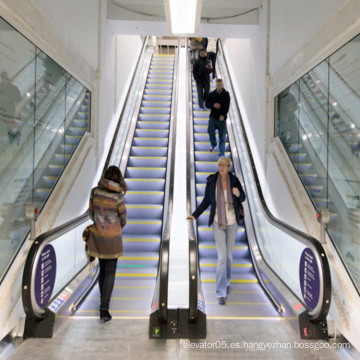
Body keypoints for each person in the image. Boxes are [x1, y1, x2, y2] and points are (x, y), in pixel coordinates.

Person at [187, 156, 246, 305]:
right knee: (222, 257)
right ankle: (221, 292)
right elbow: (206, 201)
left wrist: (237, 193)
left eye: (225, 165)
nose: (222, 167)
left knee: (229, 257)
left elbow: (243, 197)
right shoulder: (212, 181)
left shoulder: (234, 180)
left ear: (229, 167)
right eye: (221, 165)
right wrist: (195, 215)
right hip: (217, 222)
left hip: (232, 222)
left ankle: (226, 282)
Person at [87, 166, 127, 322]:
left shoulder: (94, 192)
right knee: (110, 272)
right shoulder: (118, 197)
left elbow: (91, 213)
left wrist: (99, 224)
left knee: (102, 269)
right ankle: (104, 309)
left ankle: (102, 303)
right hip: (113, 238)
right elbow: (123, 219)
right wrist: (114, 226)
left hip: (97, 237)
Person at [205, 78, 230, 157]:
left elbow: (227, 106)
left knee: (222, 137)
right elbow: (206, 104)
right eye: (218, 85)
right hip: (213, 118)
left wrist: (223, 115)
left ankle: (221, 154)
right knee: (210, 131)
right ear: (216, 85)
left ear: (222, 85)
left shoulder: (226, 94)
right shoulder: (212, 94)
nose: (219, 86)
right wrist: (213, 105)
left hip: (222, 120)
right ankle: (213, 144)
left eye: (220, 85)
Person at [0, 71, 22, 145]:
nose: (4, 79)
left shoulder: (14, 88)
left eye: (5, 77)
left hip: (9, 110)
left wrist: (9, 98)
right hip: (2, 110)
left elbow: (19, 99)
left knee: (9, 125)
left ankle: (10, 142)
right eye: (3, 77)